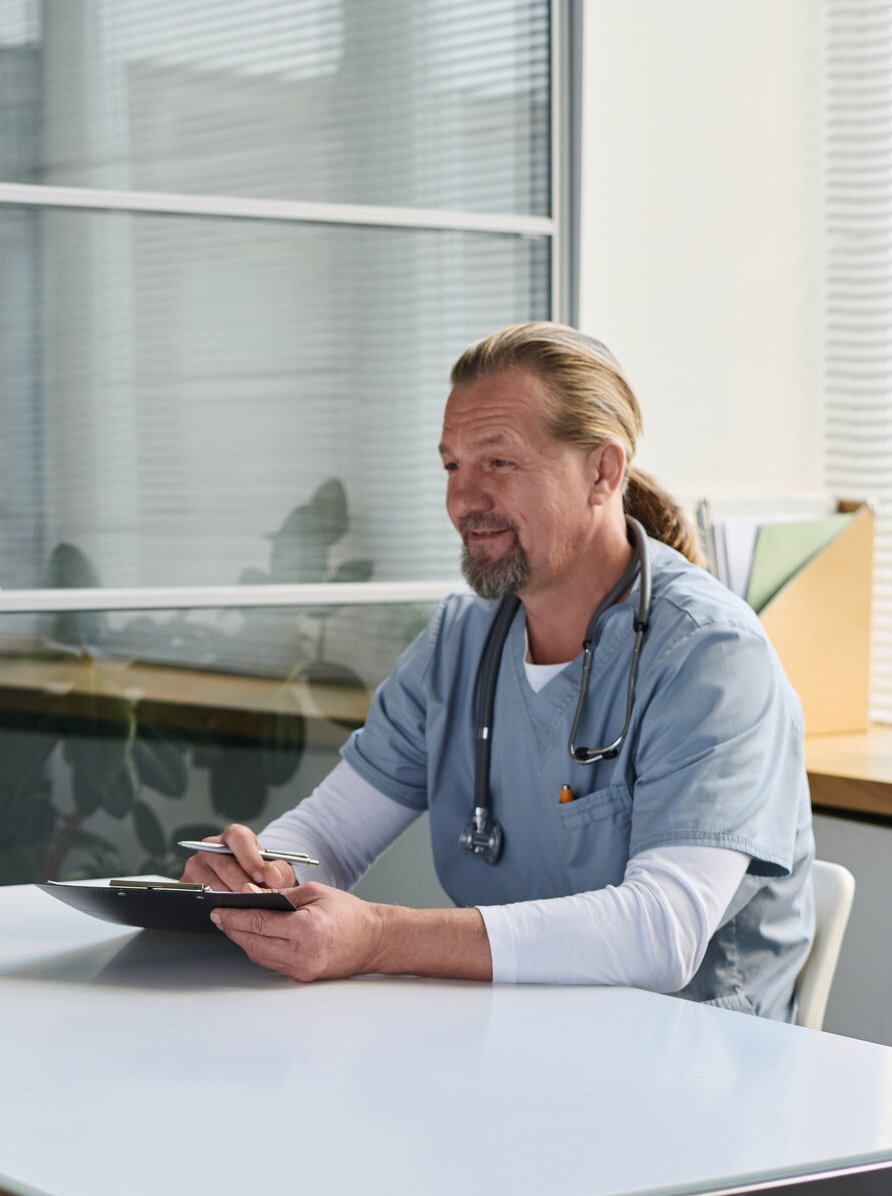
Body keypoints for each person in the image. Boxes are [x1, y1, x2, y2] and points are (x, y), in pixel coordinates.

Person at [185, 322, 813, 1019]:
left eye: (498, 464)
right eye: (452, 466)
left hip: (692, 1071)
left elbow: (663, 930)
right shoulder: (463, 638)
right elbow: (329, 836)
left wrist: (380, 938)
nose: (462, 500)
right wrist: (258, 874)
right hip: (510, 1042)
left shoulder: (712, 656)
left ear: (602, 472)